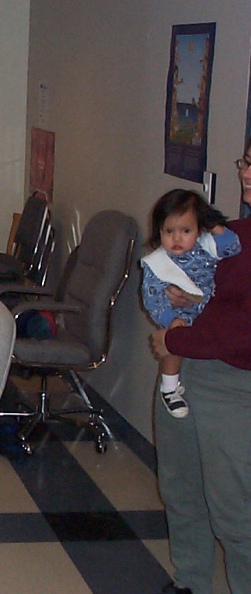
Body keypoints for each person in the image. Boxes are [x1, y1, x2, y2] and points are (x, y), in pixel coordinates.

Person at [150, 145, 251, 594]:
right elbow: (213, 300)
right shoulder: (233, 235)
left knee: (235, 512)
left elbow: (241, 332)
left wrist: (174, 340)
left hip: (232, 385)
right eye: (246, 161)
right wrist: (182, 299)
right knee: (181, 489)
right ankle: (190, 582)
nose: (246, 172)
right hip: (186, 372)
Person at [140, 189, 240, 418]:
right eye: (169, 231)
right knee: (172, 344)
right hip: (180, 315)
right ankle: (170, 388)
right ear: (159, 232)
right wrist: (169, 319)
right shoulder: (157, 263)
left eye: (186, 231)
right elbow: (152, 298)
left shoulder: (206, 247)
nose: (177, 238)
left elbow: (233, 246)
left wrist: (214, 225)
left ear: (199, 229)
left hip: (209, 313)